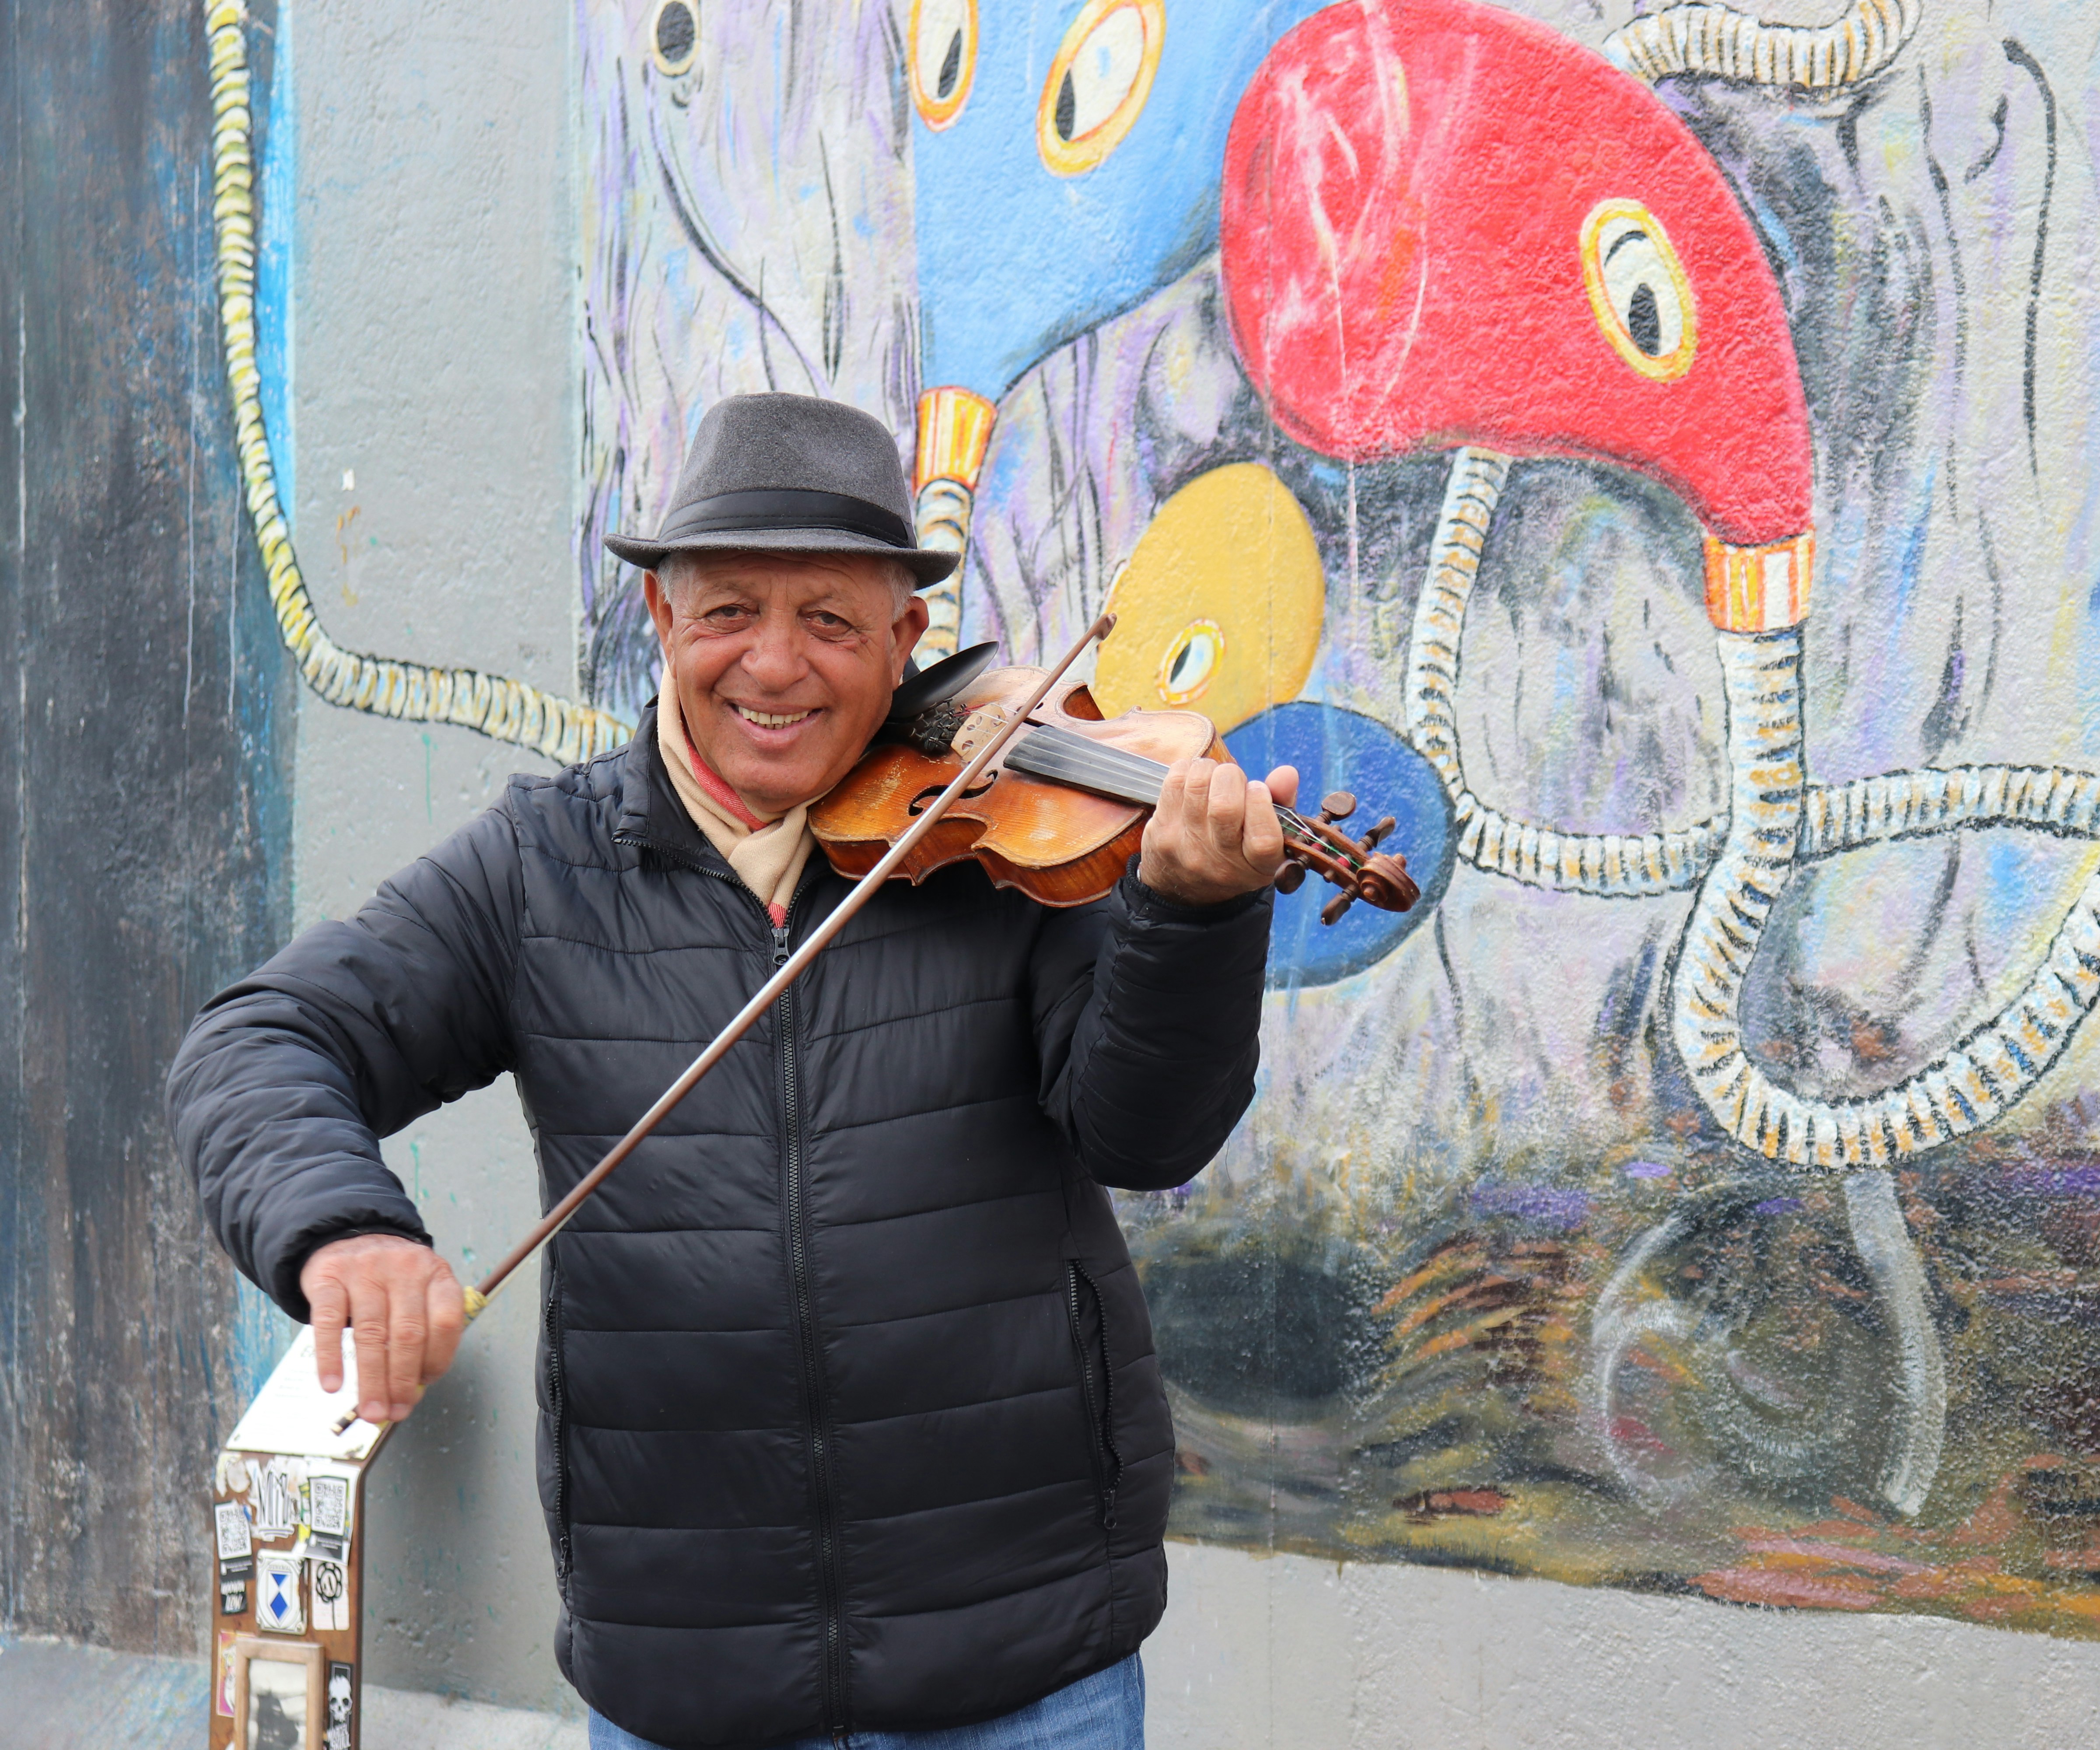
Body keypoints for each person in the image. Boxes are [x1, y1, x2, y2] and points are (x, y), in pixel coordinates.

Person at [170, 393, 1294, 1750]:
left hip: (1026, 1660)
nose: (775, 664)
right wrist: (344, 1227)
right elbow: (261, 1039)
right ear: (661, 622)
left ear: (906, 643)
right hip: (691, 1679)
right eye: (726, 613)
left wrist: (1195, 919)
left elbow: (1147, 1134)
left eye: (830, 617)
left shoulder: (1004, 845)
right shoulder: (542, 867)